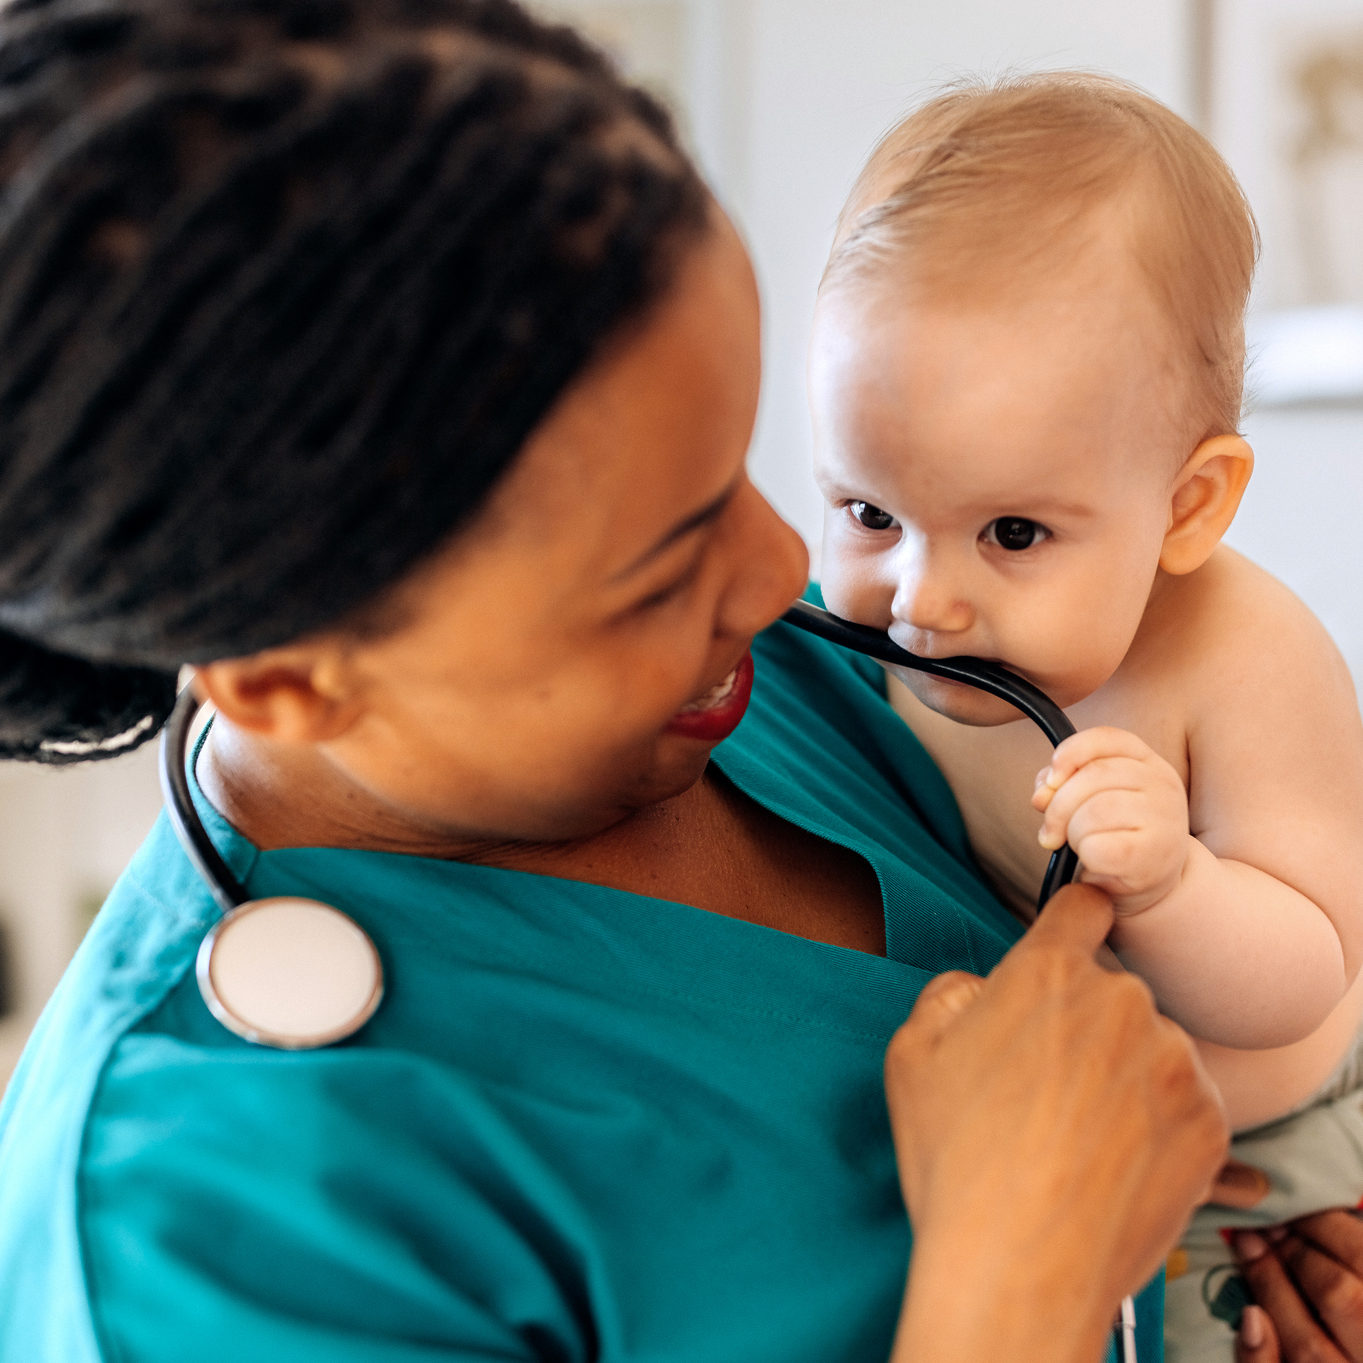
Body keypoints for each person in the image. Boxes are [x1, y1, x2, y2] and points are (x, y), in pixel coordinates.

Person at [0, 4, 1310, 1358]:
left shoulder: (791, 679)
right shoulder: (195, 1234)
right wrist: (1020, 1276)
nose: (777, 573)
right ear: (288, 680)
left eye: (745, 469)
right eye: (658, 568)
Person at [808, 72, 1363, 1361]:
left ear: (1188, 508)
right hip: (1066, 1144)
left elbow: (1308, 968)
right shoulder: (856, 635)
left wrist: (1173, 886)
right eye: (868, 513)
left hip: (1276, 1153)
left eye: (1013, 533)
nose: (923, 597)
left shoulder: (1244, 658)